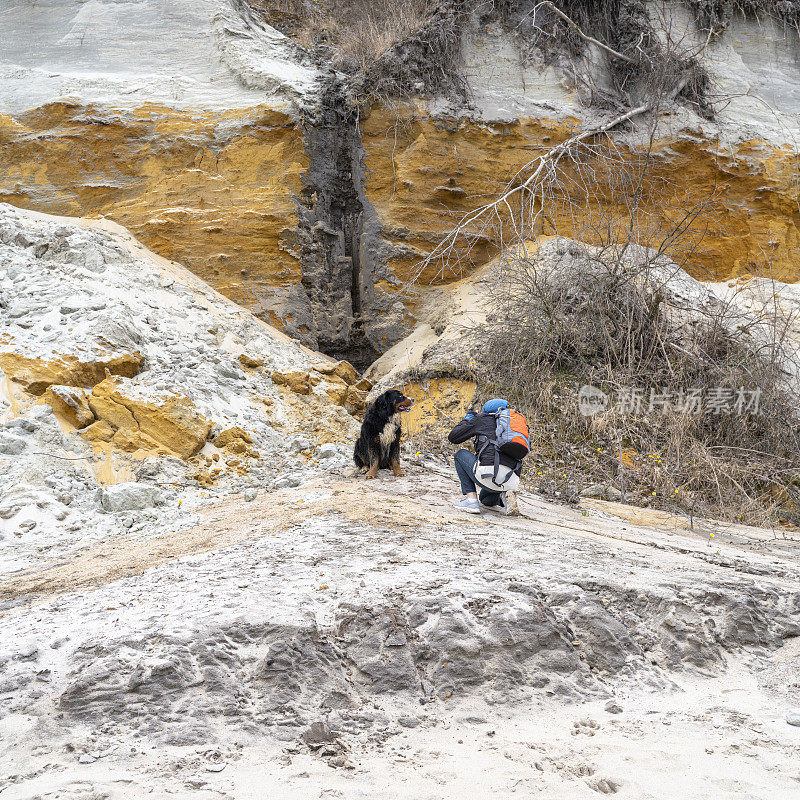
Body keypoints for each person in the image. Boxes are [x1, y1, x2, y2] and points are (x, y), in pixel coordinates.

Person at [448, 398, 521, 515]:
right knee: (486, 500)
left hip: (489, 474)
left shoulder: (482, 419)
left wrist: (469, 417)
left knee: (460, 455)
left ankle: (471, 501)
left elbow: (453, 437)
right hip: (511, 479)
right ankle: (504, 497)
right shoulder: (515, 425)